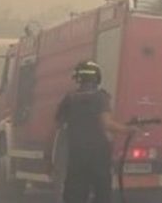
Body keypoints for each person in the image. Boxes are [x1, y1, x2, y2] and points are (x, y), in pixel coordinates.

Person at [55, 60, 138, 203]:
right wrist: (128, 129)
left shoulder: (69, 98)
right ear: (97, 77)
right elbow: (106, 123)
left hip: (76, 156)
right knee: (102, 194)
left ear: (78, 78)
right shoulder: (100, 97)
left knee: (74, 194)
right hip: (98, 156)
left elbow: (59, 123)